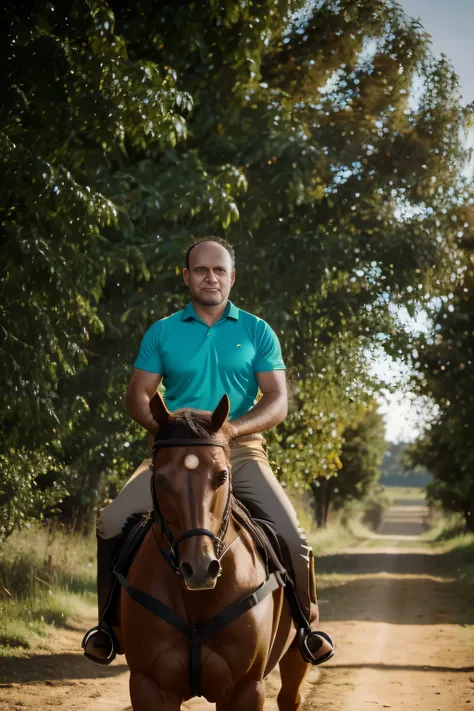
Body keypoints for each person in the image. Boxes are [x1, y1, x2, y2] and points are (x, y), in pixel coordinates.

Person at [82, 236, 334, 666]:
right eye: (201, 270)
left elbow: (277, 400)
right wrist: (169, 431)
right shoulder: (162, 331)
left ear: (232, 277)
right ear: (186, 277)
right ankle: (109, 627)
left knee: (294, 537)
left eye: (219, 270)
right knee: (109, 522)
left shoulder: (257, 330)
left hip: (241, 453)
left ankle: (306, 628)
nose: (210, 277)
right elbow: (137, 397)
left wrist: (233, 428)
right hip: (175, 455)